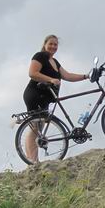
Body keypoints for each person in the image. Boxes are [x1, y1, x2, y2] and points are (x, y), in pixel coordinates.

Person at [22, 35, 89, 163]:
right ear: (45, 44)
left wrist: (86, 76)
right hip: (35, 94)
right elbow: (32, 73)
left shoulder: (55, 62)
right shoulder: (40, 56)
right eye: (51, 44)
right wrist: (50, 79)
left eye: (55, 45)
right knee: (35, 127)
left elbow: (67, 76)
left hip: (45, 97)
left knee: (39, 127)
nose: (53, 46)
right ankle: (32, 161)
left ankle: (32, 160)